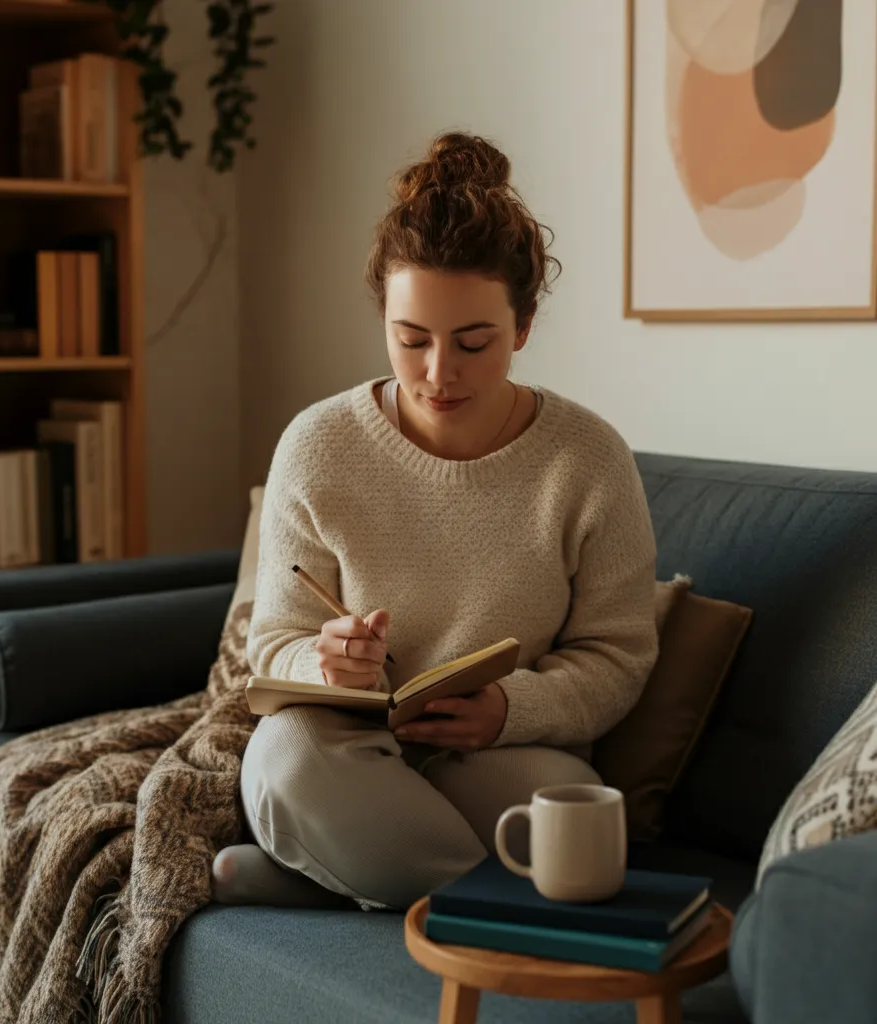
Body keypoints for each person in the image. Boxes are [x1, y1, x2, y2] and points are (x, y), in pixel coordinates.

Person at [212, 131, 658, 911]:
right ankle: (498, 911)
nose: (437, 374)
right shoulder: (318, 445)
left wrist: (511, 710)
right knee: (284, 760)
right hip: (345, 749)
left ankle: (337, 876)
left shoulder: (587, 459)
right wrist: (328, 664)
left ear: (521, 328)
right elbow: (272, 646)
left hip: (504, 756)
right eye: (410, 339)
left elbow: (618, 655)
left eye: (474, 342)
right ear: (383, 316)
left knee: (563, 805)